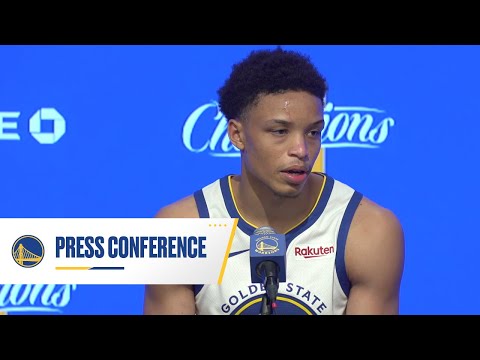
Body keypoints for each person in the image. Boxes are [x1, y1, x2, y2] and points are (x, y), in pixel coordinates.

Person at [143, 46, 405, 315]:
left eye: (313, 132)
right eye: (280, 131)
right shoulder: (179, 230)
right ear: (237, 135)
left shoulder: (368, 231)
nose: (302, 150)